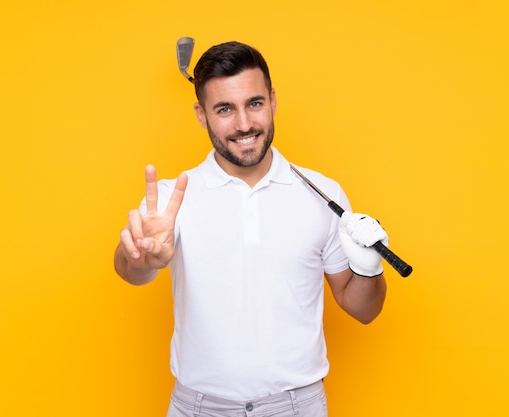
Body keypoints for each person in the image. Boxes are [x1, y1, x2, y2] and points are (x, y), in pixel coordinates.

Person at [114, 41, 388, 417]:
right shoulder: (170, 199)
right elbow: (131, 270)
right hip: (199, 408)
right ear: (201, 113)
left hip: (297, 407)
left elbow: (364, 310)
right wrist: (141, 258)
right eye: (224, 109)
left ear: (273, 101)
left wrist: (368, 268)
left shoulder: (324, 194)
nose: (244, 124)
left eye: (254, 104)